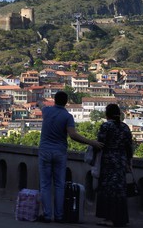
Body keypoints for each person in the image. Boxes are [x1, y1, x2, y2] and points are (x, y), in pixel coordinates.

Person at [38, 91, 103, 223]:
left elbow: (40, 105)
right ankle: (59, 216)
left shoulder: (46, 111)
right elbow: (73, 135)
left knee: (45, 185)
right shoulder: (67, 116)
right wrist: (92, 142)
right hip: (60, 152)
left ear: (54, 100)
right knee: (59, 184)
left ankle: (46, 215)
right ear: (66, 102)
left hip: (44, 151)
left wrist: (40, 100)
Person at [95, 103, 133, 227]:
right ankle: (120, 218)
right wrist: (129, 162)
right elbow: (129, 147)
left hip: (108, 161)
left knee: (108, 189)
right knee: (120, 189)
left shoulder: (106, 127)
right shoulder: (125, 127)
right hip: (121, 161)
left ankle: (109, 218)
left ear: (107, 114)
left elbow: (100, 143)